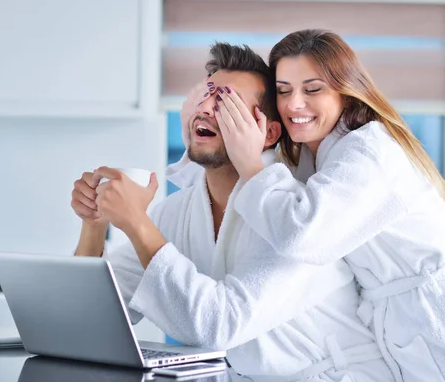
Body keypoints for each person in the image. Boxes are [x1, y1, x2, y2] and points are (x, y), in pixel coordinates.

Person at [206, 30, 445, 381]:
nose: (294, 104)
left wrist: (252, 167)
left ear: (345, 92)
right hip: (405, 338)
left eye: (313, 89)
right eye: (284, 90)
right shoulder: (314, 160)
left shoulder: (369, 150)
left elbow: (303, 236)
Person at [72, 43, 395, 381]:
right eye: (205, 95)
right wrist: (94, 225)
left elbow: (217, 325)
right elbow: (88, 320)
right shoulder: (177, 212)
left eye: (227, 103)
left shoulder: (293, 218)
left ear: (268, 132)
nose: (206, 108)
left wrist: (136, 223)